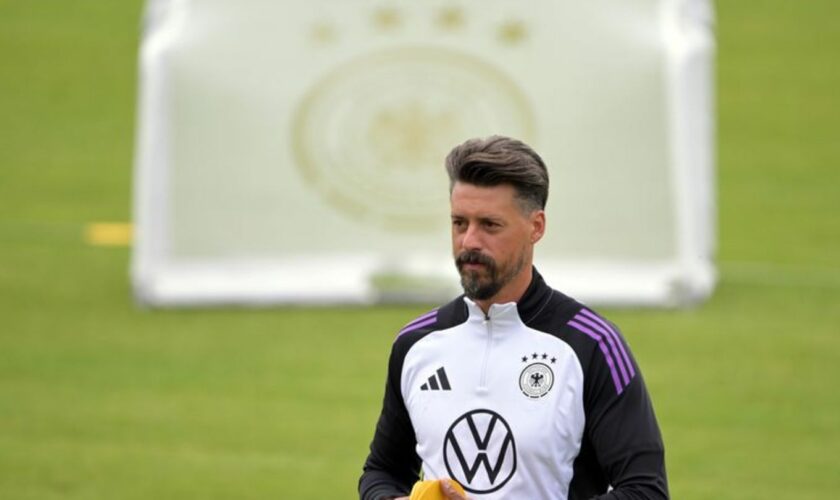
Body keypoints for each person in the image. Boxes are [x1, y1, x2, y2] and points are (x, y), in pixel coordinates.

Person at [358, 136, 668, 500]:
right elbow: (383, 471)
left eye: (489, 225)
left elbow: (645, 491)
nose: (469, 241)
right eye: (459, 223)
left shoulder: (591, 346)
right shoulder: (415, 345)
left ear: (536, 227)